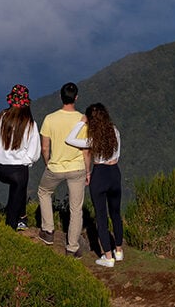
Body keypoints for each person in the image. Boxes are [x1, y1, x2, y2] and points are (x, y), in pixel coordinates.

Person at [66, 102, 123, 268]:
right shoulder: (115, 132)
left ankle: (107, 257)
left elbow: (69, 139)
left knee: (101, 217)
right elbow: (117, 154)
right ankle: (118, 251)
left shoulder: (92, 139)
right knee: (115, 213)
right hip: (114, 173)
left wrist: (81, 122)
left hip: (100, 174)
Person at [36, 82, 88, 256]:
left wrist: (48, 163)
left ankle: (48, 230)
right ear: (76, 98)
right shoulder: (83, 119)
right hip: (78, 168)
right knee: (76, 209)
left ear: (60, 97)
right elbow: (86, 149)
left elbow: (44, 148)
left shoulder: (50, 119)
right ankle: (72, 248)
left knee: (44, 191)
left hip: (55, 167)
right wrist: (88, 171)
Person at [0, 84, 40, 231]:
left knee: (17, 188)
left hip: (0, 169)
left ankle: (21, 216)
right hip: (18, 172)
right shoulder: (29, 123)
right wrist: (24, 162)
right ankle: (11, 226)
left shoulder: (0, 118)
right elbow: (34, 153)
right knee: (20, 184)